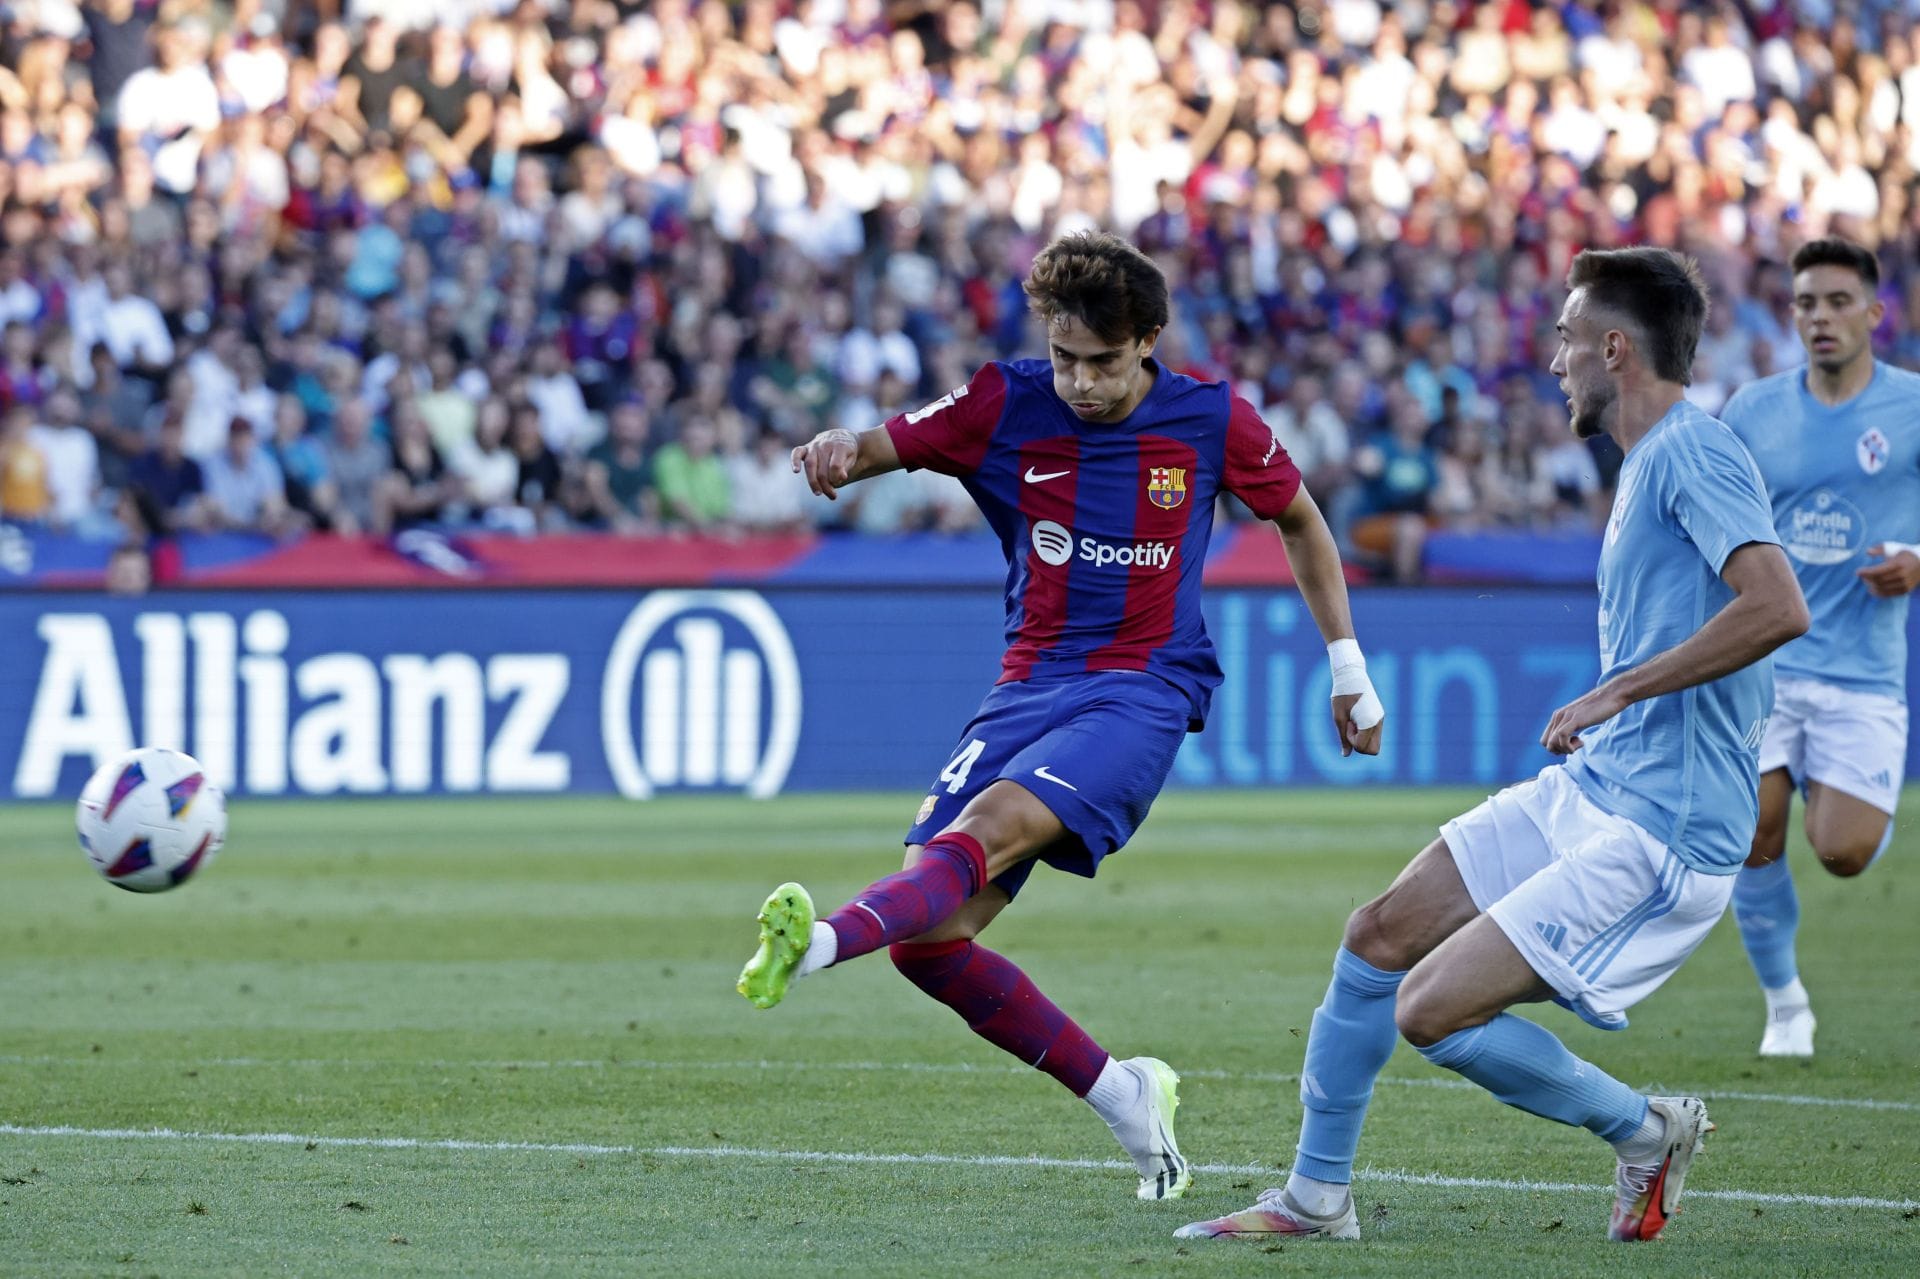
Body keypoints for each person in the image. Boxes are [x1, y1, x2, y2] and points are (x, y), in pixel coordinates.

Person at [735, 231, 1385, 1202]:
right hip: (1027, 684)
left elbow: (1298, 517)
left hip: (1145, 686)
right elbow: (882, 445)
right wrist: (837, 449)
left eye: (1104, 363)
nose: (1081, 381)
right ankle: (1125, 1094)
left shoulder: (1209, 419)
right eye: (1066, 357)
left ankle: (818, 942)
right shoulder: (1004, 402)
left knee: (987, 830)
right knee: (929, 940)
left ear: (1150, 343)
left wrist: (1347, 666)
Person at [1178, 248, 1808, 1245]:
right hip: (1601, 787)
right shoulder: (1651, 460)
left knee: (1428, 1008)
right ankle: (1313, 1198)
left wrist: (1617, 688)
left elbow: (1778, 606)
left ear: (1615, 347)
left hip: (1666, 828)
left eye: (1566, 338)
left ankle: (1647, 1128)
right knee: (1379, 934)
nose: (1554, 360)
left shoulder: (1693, 450)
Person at [1717, 238, 1920, 1059]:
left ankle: (1828, 793)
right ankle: (1784, 1001)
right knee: (1752, 830)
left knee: (1841, 851)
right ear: (1789, 313)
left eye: (1838, 302)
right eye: (1806, 303)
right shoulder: (1752, 411)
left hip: (1864, 673)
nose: (1820, 317)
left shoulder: (1911, 408)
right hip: (1769, 660)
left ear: (1874, 314)